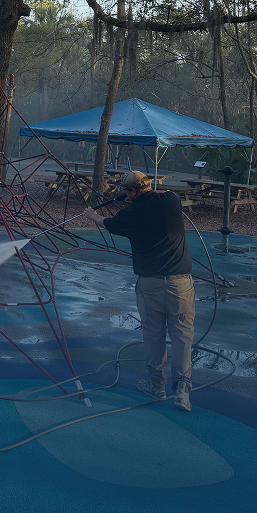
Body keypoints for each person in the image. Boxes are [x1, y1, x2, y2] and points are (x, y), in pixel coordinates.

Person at [83, 171, 195, 412]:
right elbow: (163, 193)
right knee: (182, 336)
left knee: (154, 335)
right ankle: (182, 389)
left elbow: (107, 223)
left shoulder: (130, 214)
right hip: (181, 284)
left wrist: (91, 214)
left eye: (126, 192)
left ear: (132, 192)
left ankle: (157, 386)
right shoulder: (171, 201)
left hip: (151, 284)